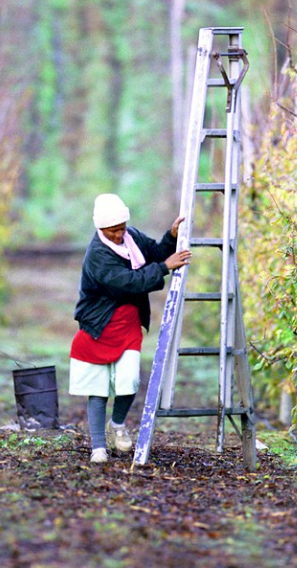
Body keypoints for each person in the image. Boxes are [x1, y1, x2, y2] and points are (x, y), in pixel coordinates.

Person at [70, 194, 191, 464]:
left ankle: (118, 424)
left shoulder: (131, 236)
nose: (118, 234)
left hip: (128, 324)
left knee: (130, 380)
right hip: (98, 325)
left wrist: (170, 237)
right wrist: (163, 268)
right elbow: (130, 283)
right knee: (98, 387)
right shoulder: (97, 256)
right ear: (100, 229)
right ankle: (98, 447)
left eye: (121, 228)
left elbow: (157, 252)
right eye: (112, 230)